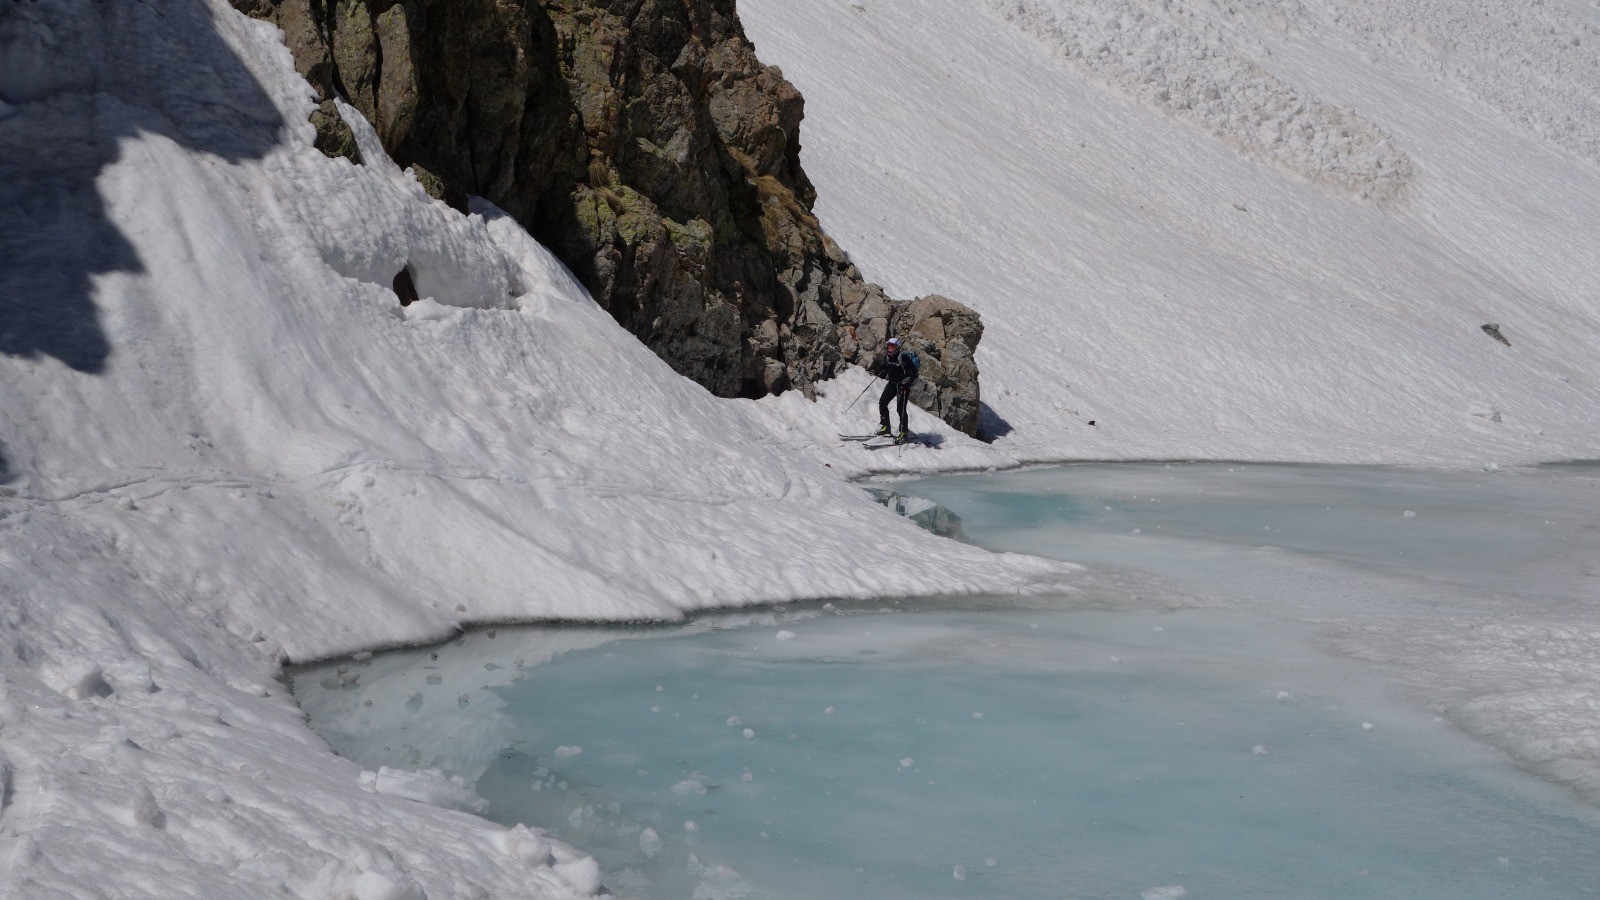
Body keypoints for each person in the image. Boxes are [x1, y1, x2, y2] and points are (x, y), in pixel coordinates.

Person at [870, 336, 919, 442]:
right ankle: (885, 426)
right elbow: (888, 368)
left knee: (900, 409)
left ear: (897, 346)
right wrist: (883, 369)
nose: (890, 347)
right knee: (882, 402)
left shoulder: (903, 357)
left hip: (903, 385)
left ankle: (903, 432)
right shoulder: (887, 357)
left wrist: (908, 382)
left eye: (893, 345)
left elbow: (914, 371)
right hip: (892, 384)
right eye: (889, 345)